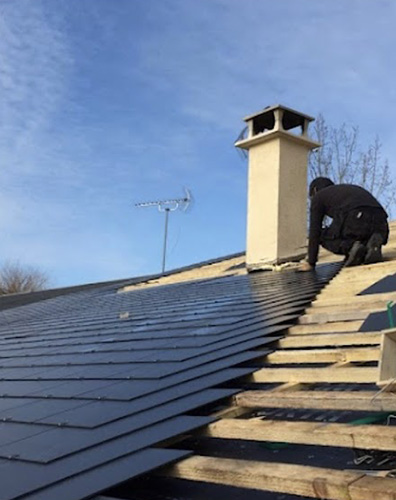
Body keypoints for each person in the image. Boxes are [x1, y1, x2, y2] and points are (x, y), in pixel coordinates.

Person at [300, 177, 389, 271]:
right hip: (381, 222)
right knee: (357, 233)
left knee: (322, 235)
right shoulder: (345, 192)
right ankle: (372, 245)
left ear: (314, 190)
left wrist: (311, 262)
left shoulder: (318, 197)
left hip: (356, 217)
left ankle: (351, 247)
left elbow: (315, 232)